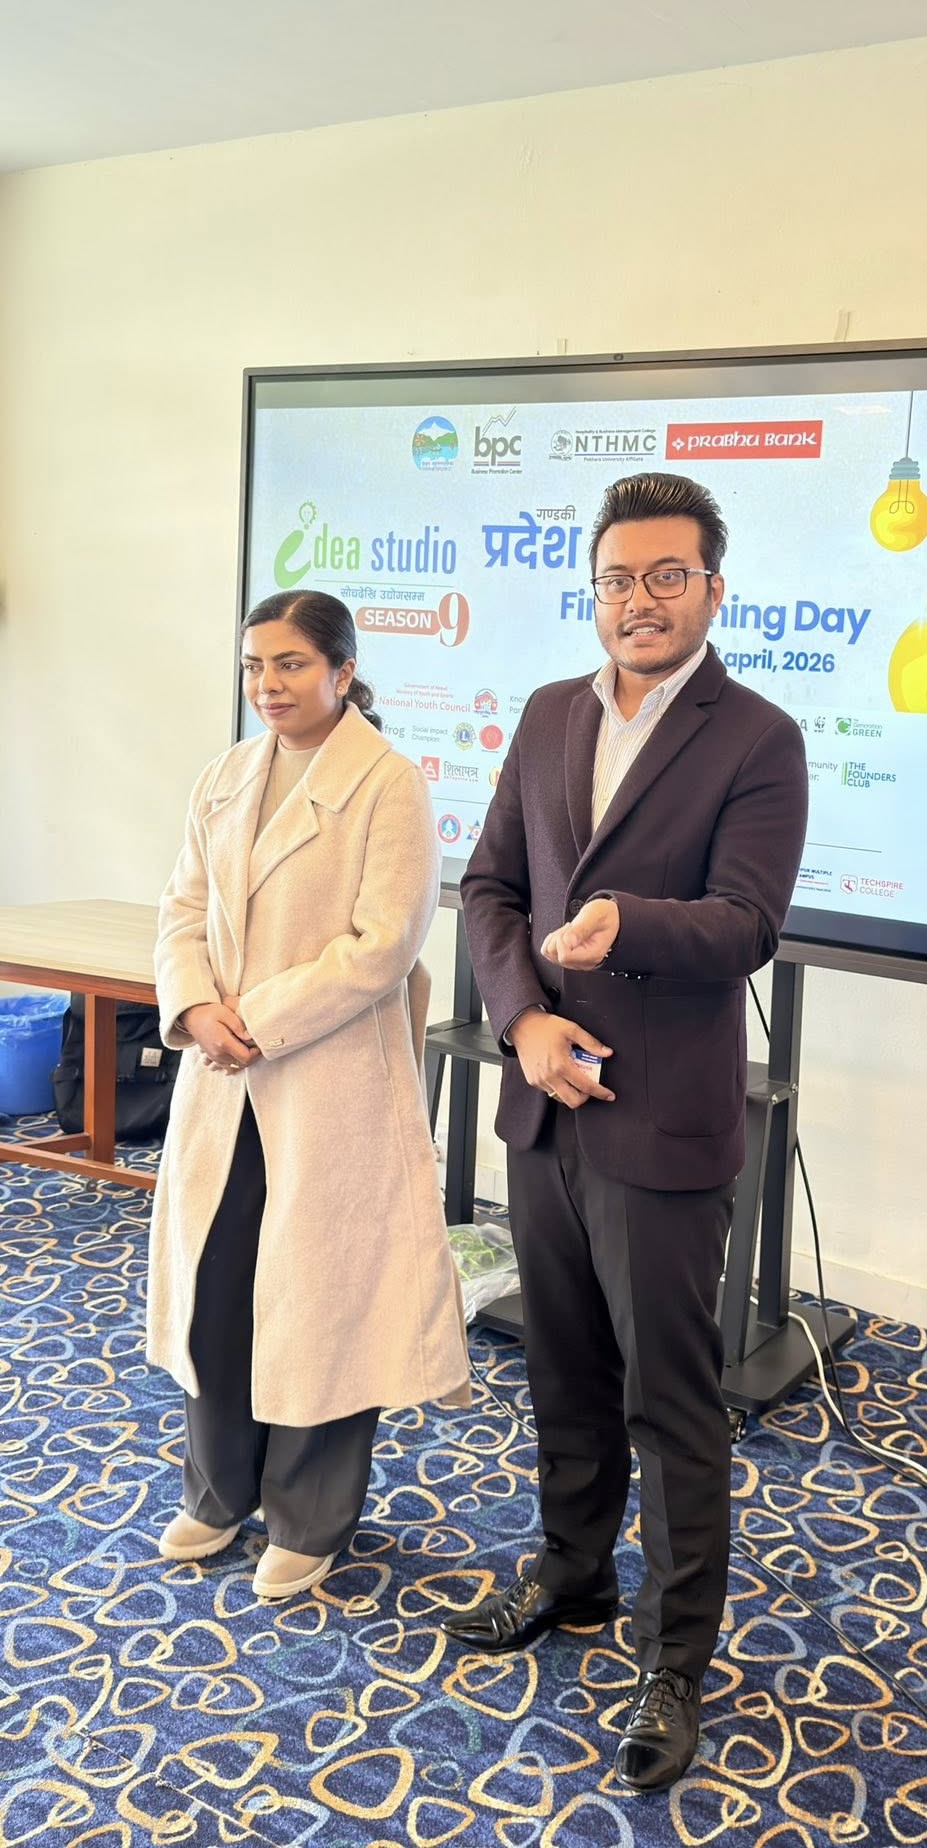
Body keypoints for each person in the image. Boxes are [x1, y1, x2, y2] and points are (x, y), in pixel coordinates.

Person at [445, 472, 808, 1791]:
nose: (638, 600)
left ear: (714, 588)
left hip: (661, 1120)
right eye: (616, 579)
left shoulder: (758, 736)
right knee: (562, 1367)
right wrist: (524, 1020)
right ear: (593, 591)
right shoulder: (549, 712)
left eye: (666, 576)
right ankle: (575, 1570)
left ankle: (675, 1657)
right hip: (546, 1101)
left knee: (671, 1400)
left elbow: (746, 921)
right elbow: (491, 885)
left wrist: (627, 924)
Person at [147, 589, 470, 1601]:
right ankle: (218, 1490)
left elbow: (383, 945)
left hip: (327, 1082)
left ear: (342, 668)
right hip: (223, 1077)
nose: (268, 684)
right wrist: (194, 1007)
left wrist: (254, 1018)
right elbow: (182, 907)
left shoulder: (389, 783)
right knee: (218, 1288)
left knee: (321, 1299)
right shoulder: (225, 775)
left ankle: (310, 1514)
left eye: (290, 663)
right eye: (255, 665)